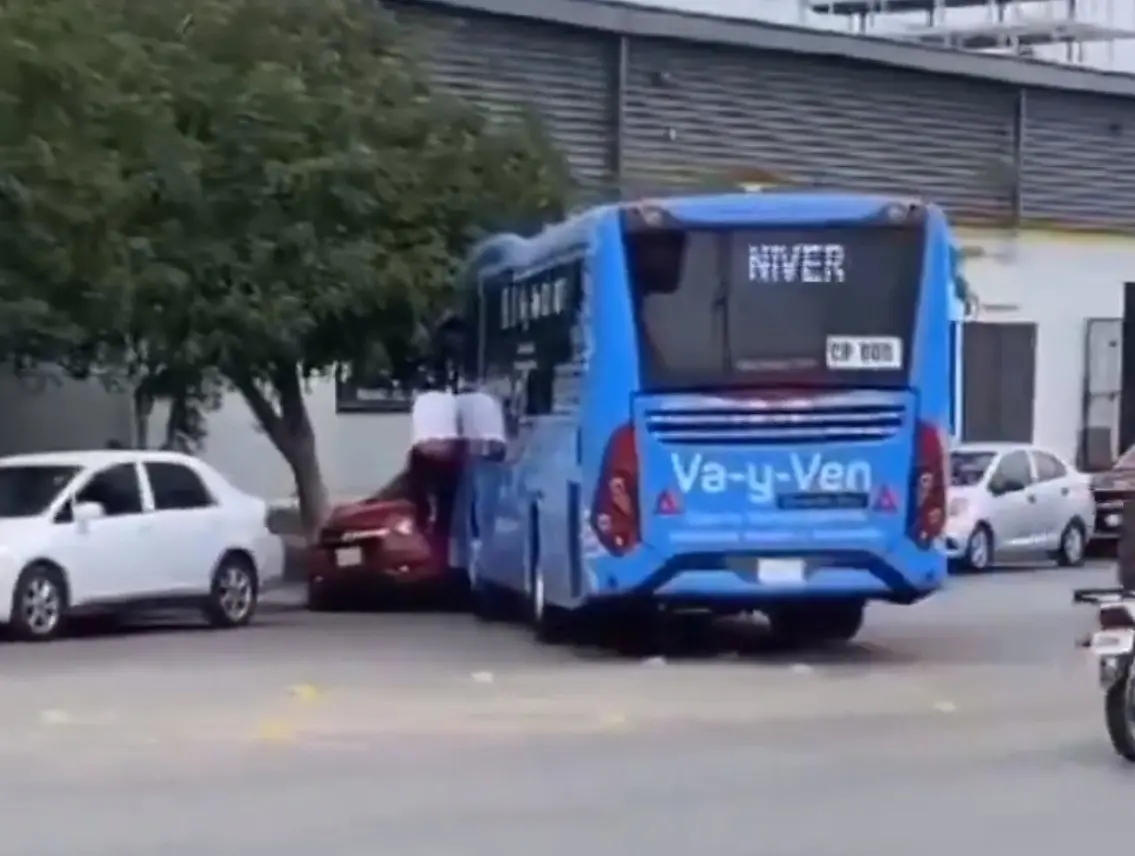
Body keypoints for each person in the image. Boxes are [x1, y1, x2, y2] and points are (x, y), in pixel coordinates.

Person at [408, 385, 461, 538]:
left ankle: (423, 526)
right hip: (445, 456)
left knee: (419, 497)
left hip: (425, 451)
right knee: (446, 504)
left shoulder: (422, 401)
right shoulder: (449, 401)